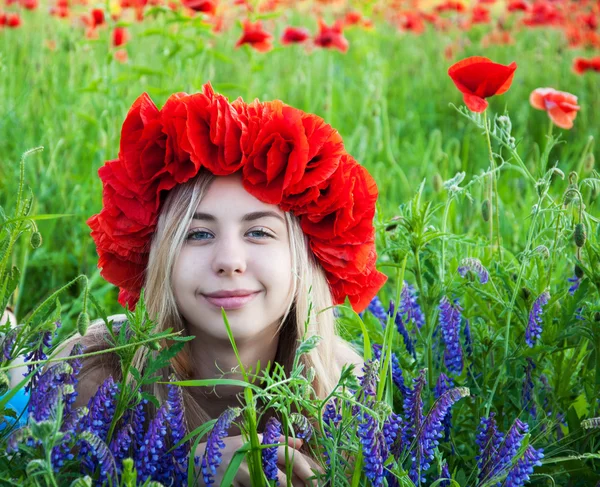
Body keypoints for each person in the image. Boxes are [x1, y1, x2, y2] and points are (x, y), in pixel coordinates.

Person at [53, 82, 387, 486]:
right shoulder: (90, 376)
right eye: (198, 235)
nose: (229, 261)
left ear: (306, 259)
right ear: (159, 259)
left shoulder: (349, 390)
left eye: (259, 233)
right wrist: (179, 473)